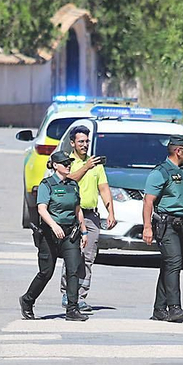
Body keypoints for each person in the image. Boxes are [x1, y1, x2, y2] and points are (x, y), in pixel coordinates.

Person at [21, 150, 89, 321]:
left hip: (70, 233)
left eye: (69, 163)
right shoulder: (47, 184)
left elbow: (77, 209)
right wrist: (54, 225)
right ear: (55, 165)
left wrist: (84, 231)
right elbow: (41, 208)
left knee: (73, 270)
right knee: (46, 272)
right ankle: (27, 300)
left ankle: (72, 309)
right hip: (50, 234)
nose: (68, 165)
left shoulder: (73, 185)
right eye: (65, 163)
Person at [141, 135, 183, 322]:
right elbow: (148, 201)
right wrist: (147, 227)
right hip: (166, 225)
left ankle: (159, 309)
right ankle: (174, 308)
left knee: (168, 265)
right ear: (178, 151)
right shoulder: (160, 172)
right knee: (174, 263)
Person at [61, 122, 115, 311]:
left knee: (88, 257)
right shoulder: (67, 162)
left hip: (91, 216)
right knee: (72, 255)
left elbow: (104, 189)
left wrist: (111, 212)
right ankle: (67, 294)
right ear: (73, 143)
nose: (84, 145)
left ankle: (81, 296)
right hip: (71, 216)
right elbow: (67, 181)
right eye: (81, 141)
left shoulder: (96, 165)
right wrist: (85, 167)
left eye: (86, 141)